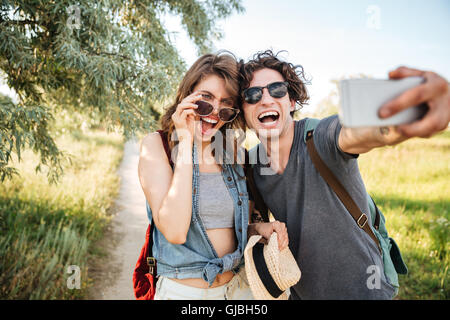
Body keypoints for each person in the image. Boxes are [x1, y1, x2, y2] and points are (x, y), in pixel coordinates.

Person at [239, 50, 450, 299]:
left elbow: (355, 132)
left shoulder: (318, 137)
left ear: (292, 101)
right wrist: (258, 228)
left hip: (365, 290)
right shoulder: (250, 165)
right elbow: (249, 226)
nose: (265, 100)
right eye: (252, 95)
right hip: (301, 293)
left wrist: (399, 118)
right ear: (242, 110)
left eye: (276, 90)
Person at [137, 51, 289, 300]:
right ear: (185, 95)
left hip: (237, 290)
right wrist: (185, 142)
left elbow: (235, 228)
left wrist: (259, 228)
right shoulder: (157, 146)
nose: (214, 112)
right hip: (184, 294)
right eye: (205, 100)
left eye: (226, 106)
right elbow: (174, 230)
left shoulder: (234, 153)